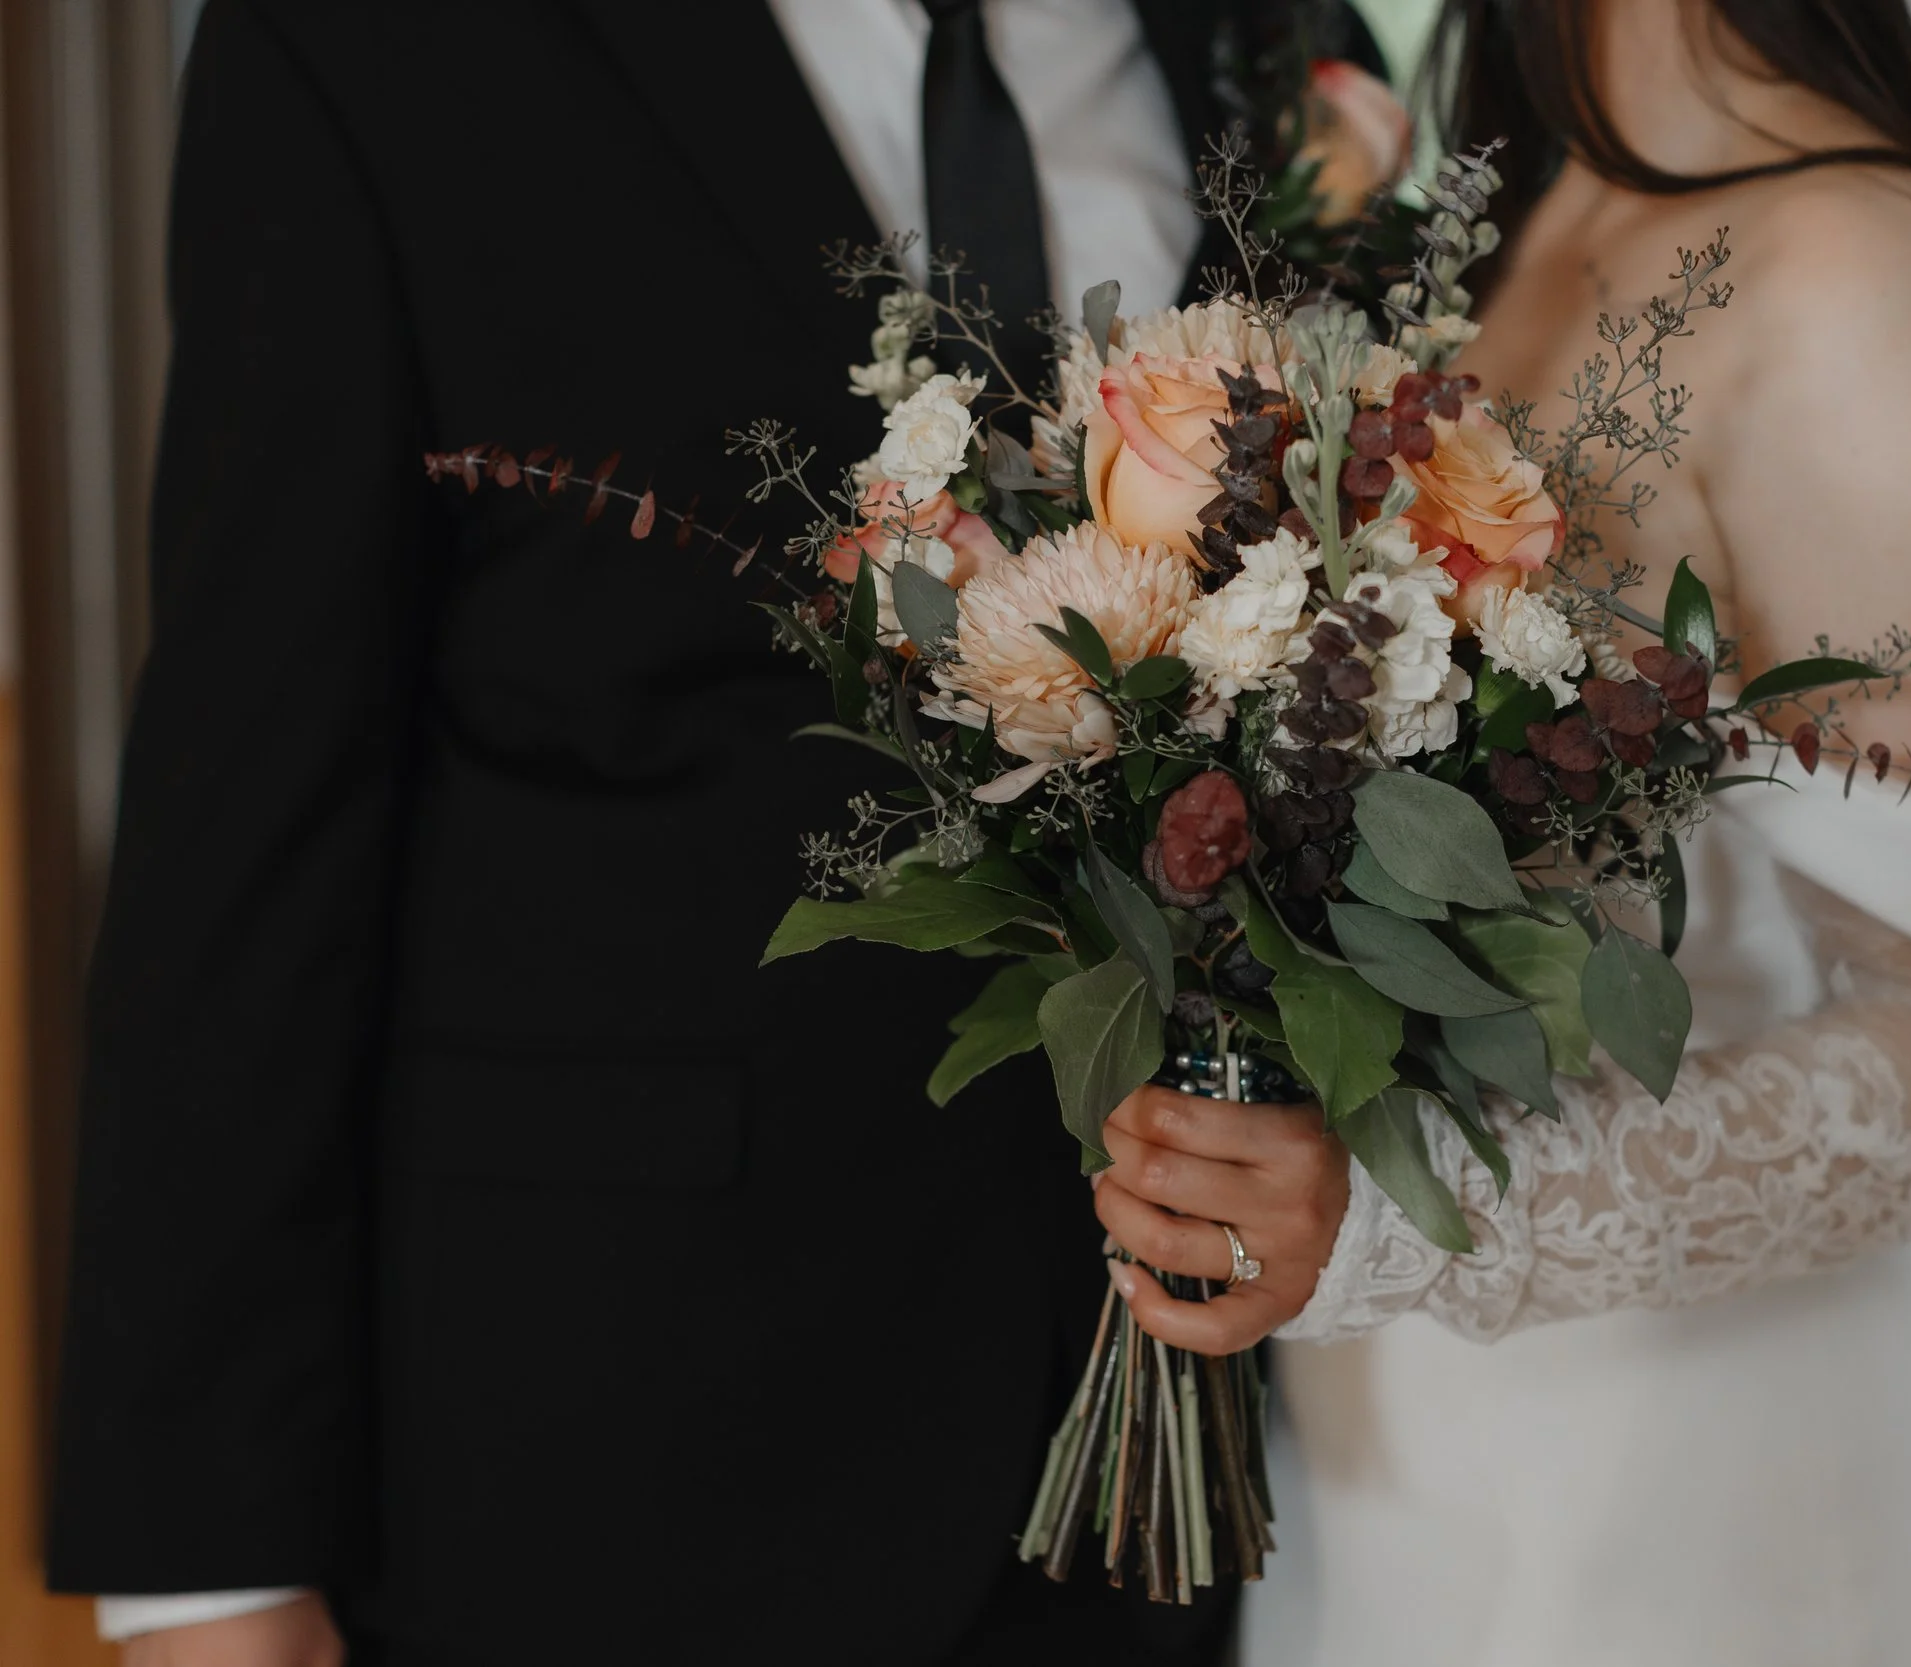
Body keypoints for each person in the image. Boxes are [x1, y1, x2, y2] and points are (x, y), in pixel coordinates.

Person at [43, 2, 1365, 1662]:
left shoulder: (1234, 38)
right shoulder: (362, 42)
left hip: (1138, 1463)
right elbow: (247, 815)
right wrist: (208, 1573)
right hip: (592, 1458)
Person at [1089, 1, 1911, 1662]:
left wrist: (1415, 1215)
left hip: (1683, 1489)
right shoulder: (1472, 228)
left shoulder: (1853, 271)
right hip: (1382, 1458)